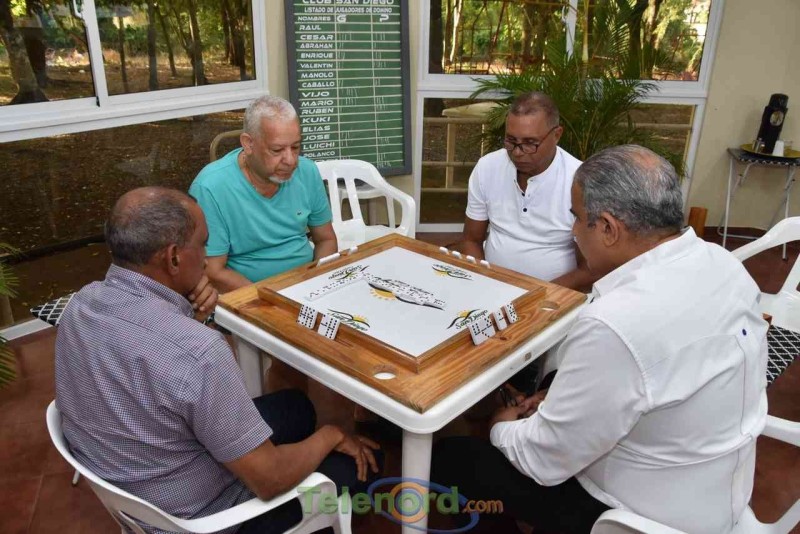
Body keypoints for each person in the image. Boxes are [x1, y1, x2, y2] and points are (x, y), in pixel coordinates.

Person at [433, 145, 768, 534]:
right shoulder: (725, 264)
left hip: (638, 513)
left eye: (576, 218)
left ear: (608, 228)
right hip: (718, 488)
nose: (573, 231)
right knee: (551, 381)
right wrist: (557, 399)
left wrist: (500, 425)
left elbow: (542, 462)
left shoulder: (616, 322)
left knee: (454, 460)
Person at [55, 187, 380, 534]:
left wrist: (189, 318)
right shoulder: (200, 353)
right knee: (363, 466)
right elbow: (269, 480)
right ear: (173, 258)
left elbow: (160, 364)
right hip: (209, 519)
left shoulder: (80, 305)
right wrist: (333, 435)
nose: (207, 260)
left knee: (296, 406)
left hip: (134, 478)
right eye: (203, 245)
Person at [190, 95, 338, 293]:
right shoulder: (210, 188)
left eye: (295, 147)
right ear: (248, 144)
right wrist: (270, 298)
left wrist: (317, 282)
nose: (291, 160)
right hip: (248, 293)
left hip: (305, 285)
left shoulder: (307, 171)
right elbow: (214, 272)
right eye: (277, 150)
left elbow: (326, 239)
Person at [461, 91, 595, 291]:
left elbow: (589, 269)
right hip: (491, 287)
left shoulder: (580, 181)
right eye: (511, 141)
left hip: (554, 297)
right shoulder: (488, 167)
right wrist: (483, 283)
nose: (517, 152)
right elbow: (471, 240)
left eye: (530, 143)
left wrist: (535, 297)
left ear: (557, 135)